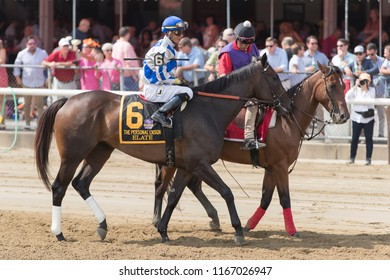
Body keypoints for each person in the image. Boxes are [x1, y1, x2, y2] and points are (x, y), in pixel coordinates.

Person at [142, 15, 193, 128]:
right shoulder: (162, 50)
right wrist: (177, 81)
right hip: (153, 88)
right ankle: (160, 114)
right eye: (178, 32)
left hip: (159, 86)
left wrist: (178, 80)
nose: (181, 35)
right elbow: (162, 77)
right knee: (188, 92)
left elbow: (168, 73)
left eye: (182, 32)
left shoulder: (169, 48)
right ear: (168, 33)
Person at [219, 20, 263, 150]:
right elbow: (223, 78)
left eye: (250, 42)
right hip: (233, 89)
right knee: (253, 103)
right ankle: (249, 138)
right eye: (244, 42)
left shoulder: (252, 47)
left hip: (252, 88)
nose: (247, 45)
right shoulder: (227, 53)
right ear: (237, 39)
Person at [13, 35, 48, 130]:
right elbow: (16, 65)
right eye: (30, 43)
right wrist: (17, 77)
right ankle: (27, 123)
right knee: (27, 103)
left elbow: (48, 64)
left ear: (36, 44)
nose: (32, 45)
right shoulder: (21, 53)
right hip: (27, 82)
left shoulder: (43, 53)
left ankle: (40, 125)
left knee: (40, 104)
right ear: (26, 44)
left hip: (39, 81)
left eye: (33, 43)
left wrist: (48, 78)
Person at [345, 73, 375, 166]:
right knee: (354, 139)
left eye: (366, 81)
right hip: (356, 117)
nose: (364, 83)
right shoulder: (355, 90)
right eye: (363, 80)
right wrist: (355, 86)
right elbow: (347, 96)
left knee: (369, 139)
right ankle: (352, 158)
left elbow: (371, 100)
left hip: (368, 118)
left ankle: (368, 159)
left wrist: (365, 89)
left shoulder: (372, 90)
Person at [42, 36, 77, 102]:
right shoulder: (56, 53)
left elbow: (72, 63)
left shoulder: (72, 53)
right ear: (60, 47)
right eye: (64, 46)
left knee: (71, 102)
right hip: (58, 82)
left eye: (67, 46)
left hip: (70, 82)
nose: (66, 47)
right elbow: (43, 62)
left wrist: (58, 64)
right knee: (57, 102)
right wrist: (50, 64)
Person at [366, 43, 386, 137]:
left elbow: (383, 76)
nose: (370, 57)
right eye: (368, 54)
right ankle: (366, 135)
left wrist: (374, 81)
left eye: (372, 54)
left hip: (380, 92)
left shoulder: (382, 61)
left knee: (381, 115)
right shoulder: (366, 61)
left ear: (376, 52)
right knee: (367, 115)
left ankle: (381, 135)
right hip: (368, 93)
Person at [112, 26, 140, 91]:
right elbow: (129, 62)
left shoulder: (115, 45)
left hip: (119, 74)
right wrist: (134, 76)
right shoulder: (127, 45)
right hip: (129, 76)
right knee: (132, 98)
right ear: (128, 34)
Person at [0, 38, 8, 130]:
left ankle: (2, 122)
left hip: (1, 77)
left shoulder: (2, 50)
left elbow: (1, 60)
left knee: (2, 101)